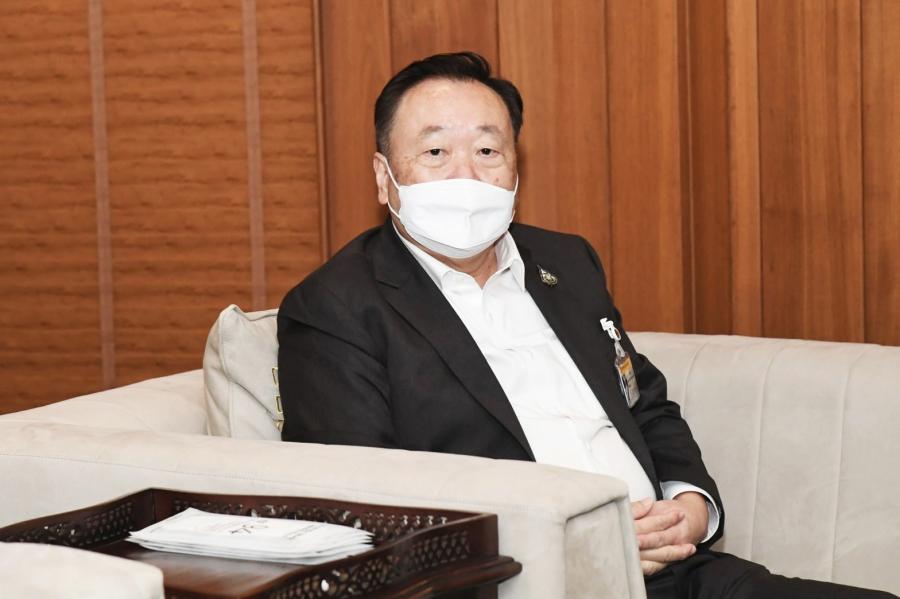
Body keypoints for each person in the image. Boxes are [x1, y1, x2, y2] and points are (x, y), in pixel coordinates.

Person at [277, 52, 895, 599]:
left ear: (515, 168)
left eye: (488, 151)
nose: (466, 174)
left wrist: (690, 507)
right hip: (527, 585)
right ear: (384, 175)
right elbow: (361, 509)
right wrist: (578, 546)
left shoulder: (565, 262)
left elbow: (643, 402)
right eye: (436, 152)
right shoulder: (334, 307)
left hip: (676, 572)